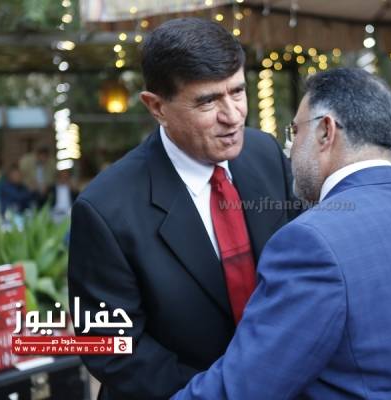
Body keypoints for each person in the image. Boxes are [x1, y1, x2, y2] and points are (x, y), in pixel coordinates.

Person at [172, 68, 391, 399]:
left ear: (325, 131)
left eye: (295, 131)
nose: (290, 149)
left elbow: (245, 388)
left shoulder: (310, 242)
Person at [67, 18, 298, 400]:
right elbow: (110, 347)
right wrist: (218, 393)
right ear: (156, 107)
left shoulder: (266, 154)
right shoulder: (105, 209)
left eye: (238, 91)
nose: (233, 115)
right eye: (208, 101)